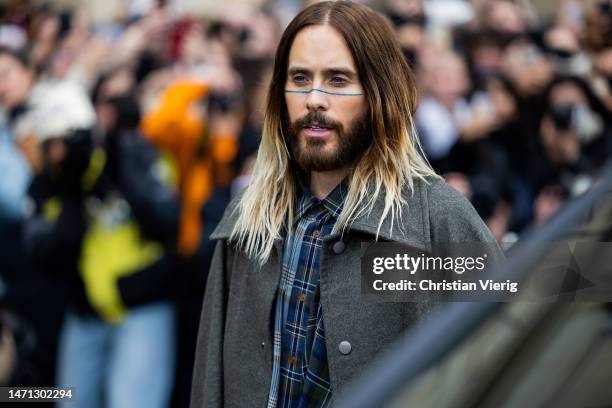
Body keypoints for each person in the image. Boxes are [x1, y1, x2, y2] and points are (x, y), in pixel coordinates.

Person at [190, 1, 502, 407]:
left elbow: (509, 360)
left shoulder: (435, 218)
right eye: (300, 78)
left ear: (378, 94)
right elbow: (209, 383)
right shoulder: (249, 220)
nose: (314, 99)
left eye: (337, 80)